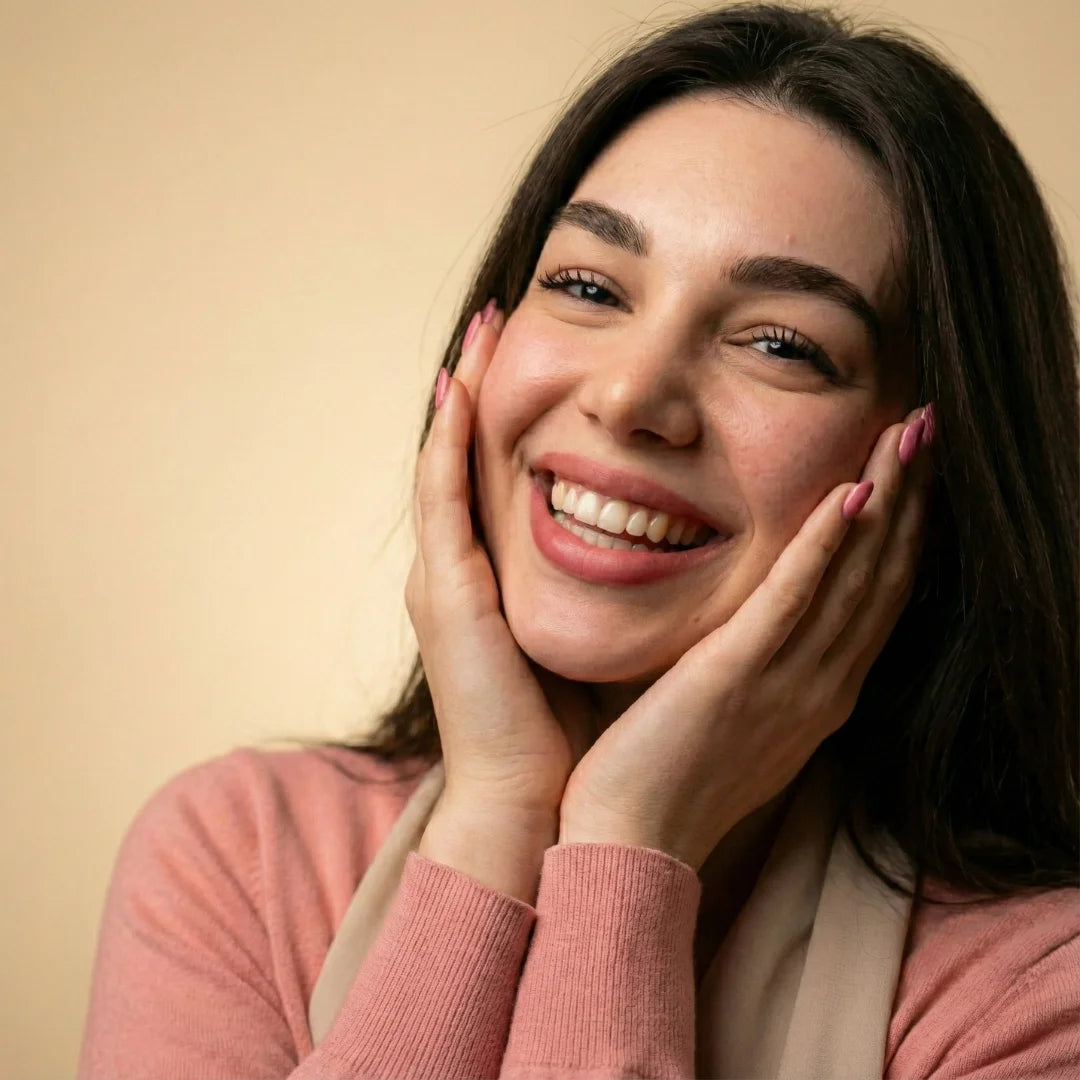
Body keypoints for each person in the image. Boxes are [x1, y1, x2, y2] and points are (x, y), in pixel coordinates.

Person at [78, 5, 1078, 1078]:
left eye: (781, 343)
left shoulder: (1033, 997)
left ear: (927, 468)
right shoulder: (239, 859)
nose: (632, 395)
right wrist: (494, 823)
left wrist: (626, 849)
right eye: (589, 287)